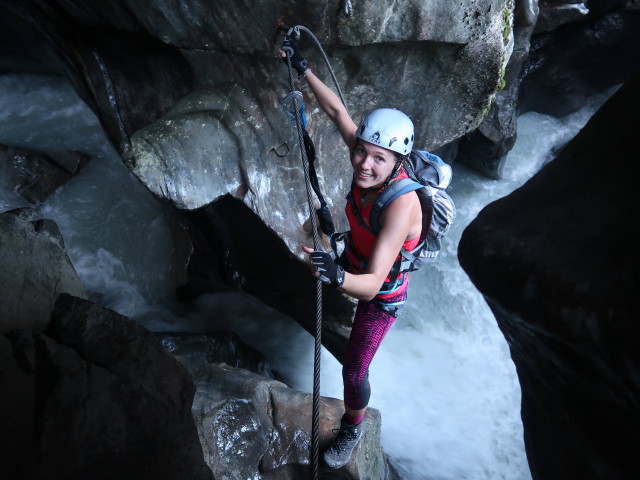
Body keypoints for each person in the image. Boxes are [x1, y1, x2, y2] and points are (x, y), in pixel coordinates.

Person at [281, 35, 423, 469]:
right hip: (355, 260)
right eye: (360, 150)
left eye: (378, 158)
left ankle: (353, 427)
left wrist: (334, 274)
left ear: (397, 162)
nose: (363, 163)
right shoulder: (368, 158)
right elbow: (336, 111)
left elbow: (371, 287)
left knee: (353, 371)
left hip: (379, 290)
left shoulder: (401, 204)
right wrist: (302, 66)